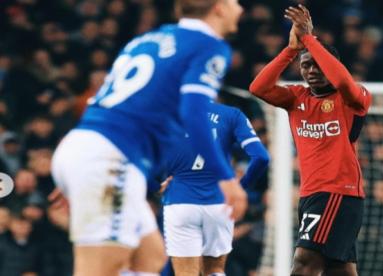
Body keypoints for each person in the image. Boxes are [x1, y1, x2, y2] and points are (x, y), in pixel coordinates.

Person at [50, 0, 246, 275]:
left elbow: (108, 102)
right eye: (234, 1)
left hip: (87, 148)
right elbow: (195, 112)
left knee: (149, 257)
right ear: (219, 7)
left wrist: (79, 171)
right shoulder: (209, 45)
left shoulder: (148, 39)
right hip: (107, 160)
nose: (240, 8)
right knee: (96, 268)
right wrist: (225, 177)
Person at [249, 5, 372, 276]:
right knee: (338, 271)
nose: (311, 70)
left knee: (304, 264)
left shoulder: (352, 97)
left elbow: (341, 78)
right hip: (311, 194)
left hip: (337, 192)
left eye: (317, 64)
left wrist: (310, 39)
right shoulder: (297, 98)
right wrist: (292, 49)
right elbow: (258, 87)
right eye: (305, 66)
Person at [162, 102, 269, 276]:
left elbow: (147, 151)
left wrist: (157, 181)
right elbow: (261, 157)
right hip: (220, 202)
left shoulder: (168, 112)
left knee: (185, 272)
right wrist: (239, 188)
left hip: (180, 200)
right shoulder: (231, 114)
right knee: (215, 270)